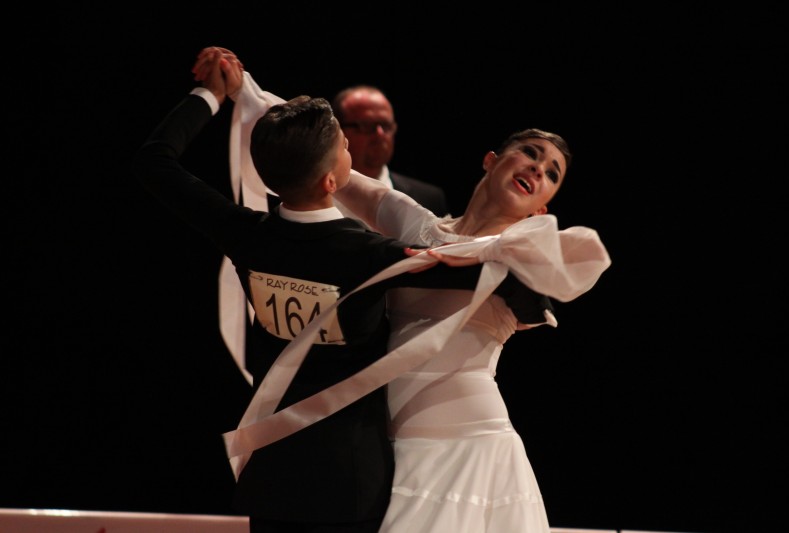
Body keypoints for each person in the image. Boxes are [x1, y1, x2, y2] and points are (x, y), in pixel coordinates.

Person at [136, 48, 561, 533]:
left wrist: (215, 95)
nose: (352, 151)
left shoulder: (245, 234)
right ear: (331, 180)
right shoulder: (372, 254)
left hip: (275, 473)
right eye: (343, 142)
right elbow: (468, 265)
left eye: (551, 172)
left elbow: (155, 163)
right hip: (356, 481)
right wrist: (532, 251)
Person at [331, 85, 450, 217]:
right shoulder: (317, 194)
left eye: (386, 125)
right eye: (367, 125)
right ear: (337, 130)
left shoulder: (429, 198)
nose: (380, 134)